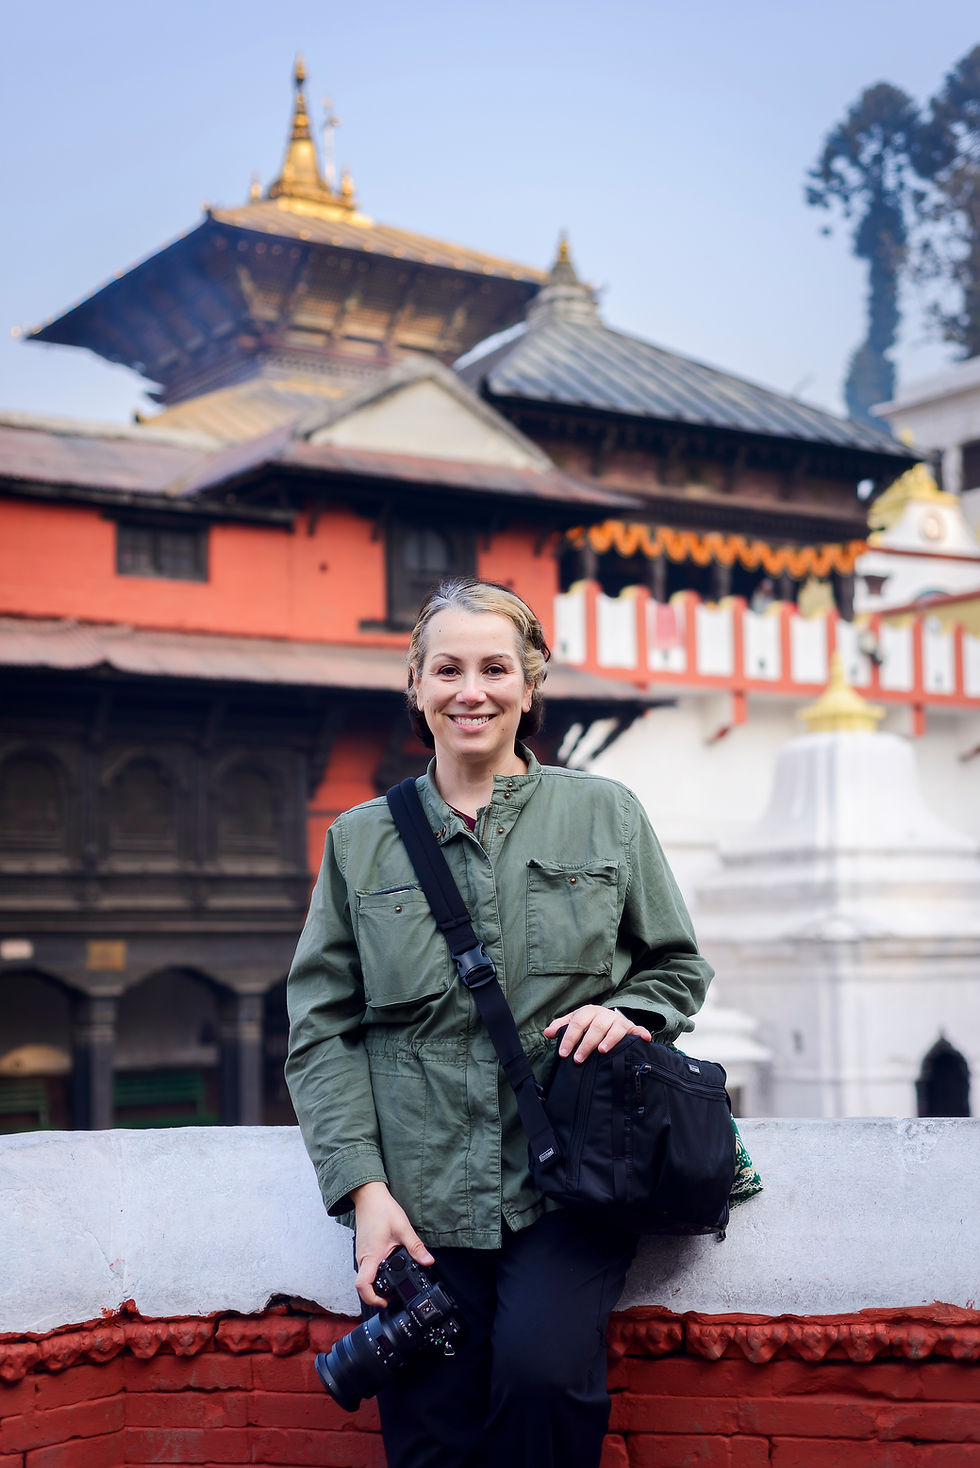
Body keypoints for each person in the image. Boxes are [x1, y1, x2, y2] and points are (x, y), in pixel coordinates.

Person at [285, 577, 714, 1468]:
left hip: (570, 1185)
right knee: (430, 1428)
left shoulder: (605, 814)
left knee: (542, 1382)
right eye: (447, 669)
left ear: (530, 682)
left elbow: (677, 965)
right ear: (415, 684)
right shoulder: (360, 841)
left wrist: (625, 1009)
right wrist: (364, 1194)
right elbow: (322, 1028)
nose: (469, 690)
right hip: (420, 1198)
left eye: (494, 668)